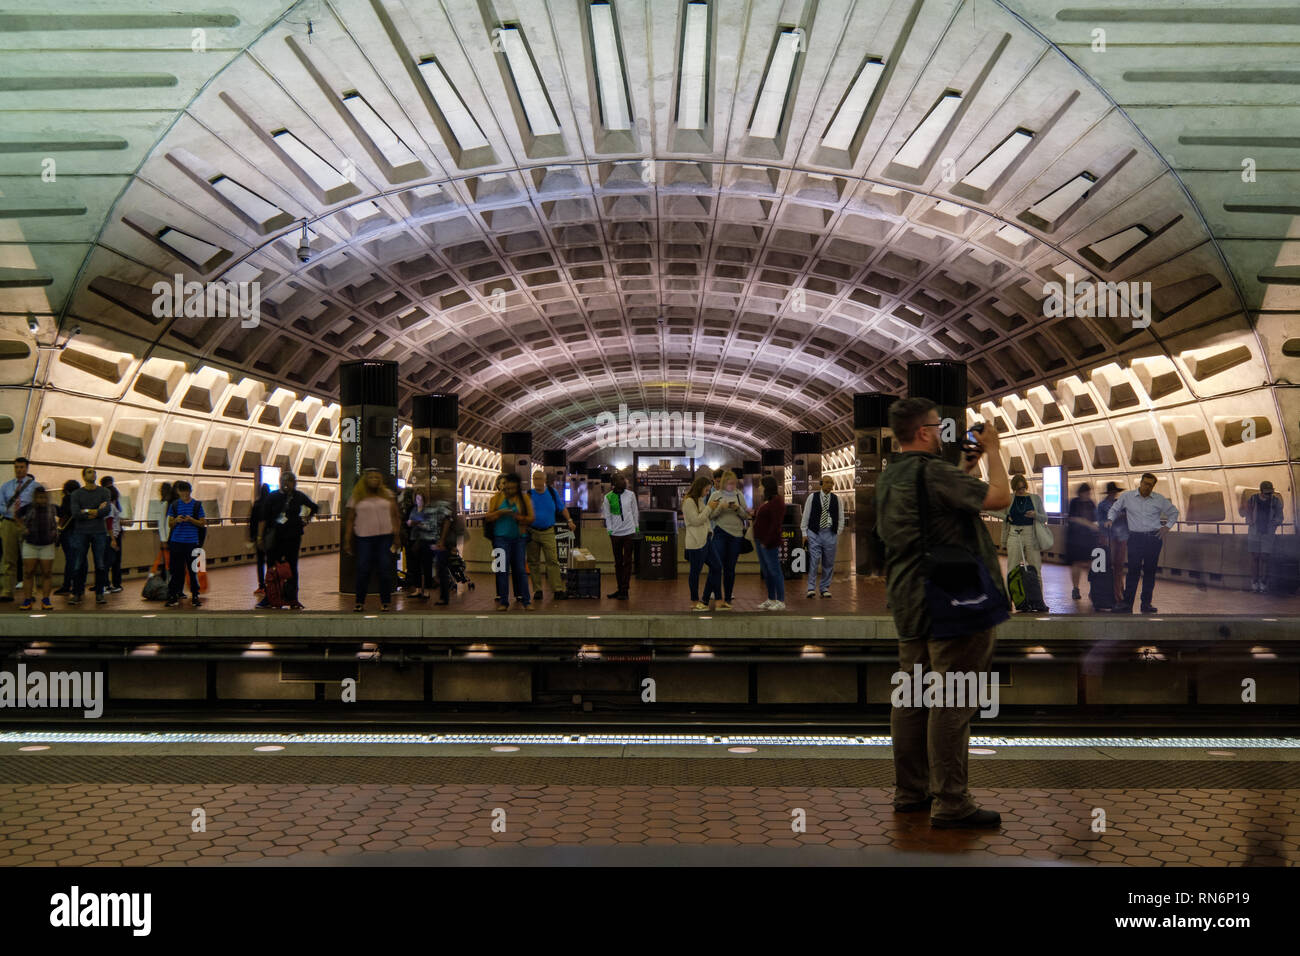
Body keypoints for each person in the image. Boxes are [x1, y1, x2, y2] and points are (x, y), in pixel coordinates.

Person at [875, 398, 1010, 829]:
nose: (943, 433)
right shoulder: (933, 472)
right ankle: (951, 802)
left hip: (907, 596)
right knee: (953, 699)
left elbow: (935, 512)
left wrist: (965, 469)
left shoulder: (890, 475)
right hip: (950, 598)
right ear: (924, 432)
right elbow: (1001, 498)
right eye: (937, 426)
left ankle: (910, 791)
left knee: (912, 698)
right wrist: (993, 451)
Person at [1104, 472, 1179, 613]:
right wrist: (1110, 519)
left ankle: (1146, 604)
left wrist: (1167, 527)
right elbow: (1115, 509)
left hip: (1153, 538)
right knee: (1133, 571)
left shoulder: (1159, 499)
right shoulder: (1128, 497)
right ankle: (1127, 604)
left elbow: (1174, 512)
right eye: (1145, 484)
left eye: (1150, 485)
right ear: (1140, 483)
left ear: (1153, 486)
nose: (1147, 487)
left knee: (1150, 572)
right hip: (1135, 538)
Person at [256, 472, 319, 610]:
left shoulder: (298, 496)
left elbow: (314, 507)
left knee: (292, 568)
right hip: (275, 538)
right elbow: (264, 518)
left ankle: (292, 598)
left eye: (290, 481)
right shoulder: (273, 497)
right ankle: (271, 597)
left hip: (292, 538)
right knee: (273, 568)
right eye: (285, 481)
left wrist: (306, 519)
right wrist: (260, 537)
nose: (288, 483)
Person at [343, 469, 401, 612]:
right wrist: (347, 539)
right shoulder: (357, 496)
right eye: (371, 477)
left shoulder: (388, 495)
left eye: (377, 477)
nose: (374, 479)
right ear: (365, 480)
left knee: (384, 569)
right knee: (363, 569)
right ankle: (359, 601)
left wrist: (397, 535)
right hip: (364, 537)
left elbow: (395, 516)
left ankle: (385, 601)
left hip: (385, 537)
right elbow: (350, 519)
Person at [485, 472, 534, 610]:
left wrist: (518, 517)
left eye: (513, 488)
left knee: (520, 570)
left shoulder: (524, 499)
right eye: (507, 488)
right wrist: (500, 513)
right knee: (502, 570)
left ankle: (526, 601)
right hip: (500, 539)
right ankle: (503, 601)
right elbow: (488, 517)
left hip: (519, 539)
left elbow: (531, 518)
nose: (509, 491)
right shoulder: (496, 499)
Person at [528, 470, 576, 602]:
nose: (536, 481)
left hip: (548, 531)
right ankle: (537, 589)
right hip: (532, 532)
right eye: (534, 478)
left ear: (544, 480)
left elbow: (562, 508)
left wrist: (570, 520)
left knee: (553, 561)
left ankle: (557, 589)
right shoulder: (528, 495)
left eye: (539, 479)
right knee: (533, 562)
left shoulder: (552, 493)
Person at [67, 466, 112, 606]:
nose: (93, 474)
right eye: (89, 472)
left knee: (100, 563)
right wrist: (95, 511)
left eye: (94, 472)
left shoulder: (104, 492)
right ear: (84, 476)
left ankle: (99, 593)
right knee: (78, 563)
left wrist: (87, 511)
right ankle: (77, 592)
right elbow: (75, 513)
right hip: (81, 532)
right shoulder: (76, 494)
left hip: (99, 531)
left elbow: (106, 510)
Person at [706, 471, 748, 609]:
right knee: (717, 565)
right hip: (720, 532)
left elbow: (745, 515)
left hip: (736, 535)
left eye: (734, 483)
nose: (731, 485)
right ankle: (715, 595)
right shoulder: (716, 495)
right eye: (729, 483)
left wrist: (737, 508)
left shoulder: (739, 495)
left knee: (730, 568)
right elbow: (711, 516)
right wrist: (720, 508)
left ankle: (728, 597)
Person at [801, 473, 845, 599]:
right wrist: (804, 532)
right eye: (826, 482)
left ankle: (824, 588)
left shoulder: (837, 499)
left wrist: (838, 531)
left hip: (830, 533)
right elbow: (806, 515)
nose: (829, 485)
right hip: (815, 532)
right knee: (814, 561)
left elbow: (841, 516)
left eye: (831, 483)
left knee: (828, 562)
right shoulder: (812, 497)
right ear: (821, 484)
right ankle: (811, 588)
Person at [0, 456, 38, 602]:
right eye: (16, 467)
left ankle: (31, 592)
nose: (19, 470)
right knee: (9, 559)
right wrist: (12, 514)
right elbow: (1, 504)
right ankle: (7, 591)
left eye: (22, 467)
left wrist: (24, 516)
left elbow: (38, 506)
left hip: (26, 525)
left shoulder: (35, 487)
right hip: (9, 523)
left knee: (28, 559)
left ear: (27, 468)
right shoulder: (6, 486)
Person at [16, 484, 59, 611]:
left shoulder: (52, 508)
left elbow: (65, 514)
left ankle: (46, 599)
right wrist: (23, 528)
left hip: (47, 544)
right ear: (35, 498)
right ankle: (27, 599)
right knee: (29, 572)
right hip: (30, 543)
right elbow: (16, 515)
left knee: (47, 572)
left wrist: (57, 529)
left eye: (43, 497)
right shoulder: (28, 508)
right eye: (39, 497)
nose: (41, 500)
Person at [1000, 474, 1048, 587]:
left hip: (1031, 534)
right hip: (1014, 534)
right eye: (1018, 489)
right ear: (1014, 488)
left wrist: (1035, 515)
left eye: (1023, 488)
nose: (1021, 491)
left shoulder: (1035, 498)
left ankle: (1040, 601)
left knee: (1036, 568)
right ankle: (1009, 599)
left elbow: (1045, 517)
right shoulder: (1009, 498)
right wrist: (1006, 517)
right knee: (1012, 569)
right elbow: (990, 511)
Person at [682, 475, 721, 611]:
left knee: (716, 566)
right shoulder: (689, 502)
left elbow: (705, 519)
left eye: (708, 490)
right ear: (700, 488)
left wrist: (710, 531)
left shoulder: (699, 500)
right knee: (695, 572)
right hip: (696, 542)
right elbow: (696, 520)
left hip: (706, 539)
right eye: (706, 490)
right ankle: (694, 601)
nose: (707, 493)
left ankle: (705, 597)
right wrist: (709, 507)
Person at [164, 480, 206, 608]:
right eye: (182, 493)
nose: (184, 495)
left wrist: (191, 520)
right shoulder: (175, 505)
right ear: (178, 492)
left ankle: (195, 595)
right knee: (176, 570)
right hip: (176, 541)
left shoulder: (197, 505)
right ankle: (173, 595)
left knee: (192, 570)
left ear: (190, 491)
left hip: (191, 542)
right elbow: (170, 523)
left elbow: (202, 522)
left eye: (186, 492)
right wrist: (176, 520)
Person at [600, 471, 639, 600]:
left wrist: (636, 527)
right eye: (621, 480)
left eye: (624, 480)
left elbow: (634, 512)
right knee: (618, 562)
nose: (624, 482)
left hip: (629, 532)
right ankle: (620, 588)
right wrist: (610, 531)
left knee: (627, 562)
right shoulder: (608, 497)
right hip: (615, 534)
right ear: (614, 484)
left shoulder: (631, 495)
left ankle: (625, 590)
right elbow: (607, 515)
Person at [1242, 481, 1284, 592]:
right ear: (1261, 491)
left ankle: (1263, 582)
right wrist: (1249, 520)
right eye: (1266, 493)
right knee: (1255, 557)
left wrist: (1276, 522)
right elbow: (1246, 511)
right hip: (1254, 532)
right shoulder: (1253, 499)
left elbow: (1280, 516)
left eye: (1270, 493)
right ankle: (1254, 582)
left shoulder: (1276, 501)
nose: (1269, 495)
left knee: (1265, 557)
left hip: (1268, 532)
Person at [753, 474, 786, 611]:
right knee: (766, 571)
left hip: (769, 542)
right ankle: (771, 598)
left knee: (774, 570)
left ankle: (781, 600)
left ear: (767, 487)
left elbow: (775, 524)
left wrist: (766, 541)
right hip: (761, 540)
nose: (759, 488)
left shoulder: (777, 501)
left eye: (761, 485)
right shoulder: (767, 501)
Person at [1065, 483, 1099, 602]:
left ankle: (1093, 589)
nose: (1088, 495)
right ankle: (1076, 588)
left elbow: (1095, 519)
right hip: (1075, 539)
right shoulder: (1074, 502)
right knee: (1076, 564)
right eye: (1086, 492)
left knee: (1091, 564)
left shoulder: (1091, 503)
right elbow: (1073, 518)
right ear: (1081, 492)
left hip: (1088, 539)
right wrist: (1088, 524)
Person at [1095, 481, 1127, 604]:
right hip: (1109, 538)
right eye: (1113, 492)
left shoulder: (1120, 504)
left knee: (1119, 565)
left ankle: (1119, 590)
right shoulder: (1102, 505)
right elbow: (1101, 522)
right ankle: (1115, 593)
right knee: (1111, 566)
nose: (1114, 495)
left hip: (1121, 537)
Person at [53, 478, 81, 595]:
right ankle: (78, 586)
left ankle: (66, 585)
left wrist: (54, 508)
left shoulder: (67, 498)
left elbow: (63, 513)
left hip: (68, 531)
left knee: (70, 560)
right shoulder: (81, 498)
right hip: (79, 531)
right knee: (78, 560)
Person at [100, 476, 125, 593]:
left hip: (110, 536)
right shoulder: (111, 507)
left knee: (109, 561)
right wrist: (113, 539)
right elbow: (109, 523)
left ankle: (106, 584)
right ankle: (104, 584)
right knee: (109, 561)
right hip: (111, 536)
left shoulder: (108, 506)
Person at [249, 483, 271, 596]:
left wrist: (252, 537)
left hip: (259, 537)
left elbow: (252, 522)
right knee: (270, 561)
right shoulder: (272, 503)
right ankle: (270, 584)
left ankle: (261, 585)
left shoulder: (257, 504)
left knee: (260, 562)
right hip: (270, 537)